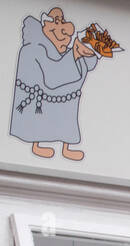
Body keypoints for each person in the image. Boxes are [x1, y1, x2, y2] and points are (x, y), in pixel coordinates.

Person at [10, 8, 99, 161]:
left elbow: (83, 64)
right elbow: (52, 78)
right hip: (38, 103)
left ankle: (66, 148)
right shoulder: (33, 48)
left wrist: (94, 50)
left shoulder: (58, 49)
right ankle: (36, 144)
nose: (66, 41)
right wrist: (75, 53)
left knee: (64, 120)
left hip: (63, 101)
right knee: (37, 123)